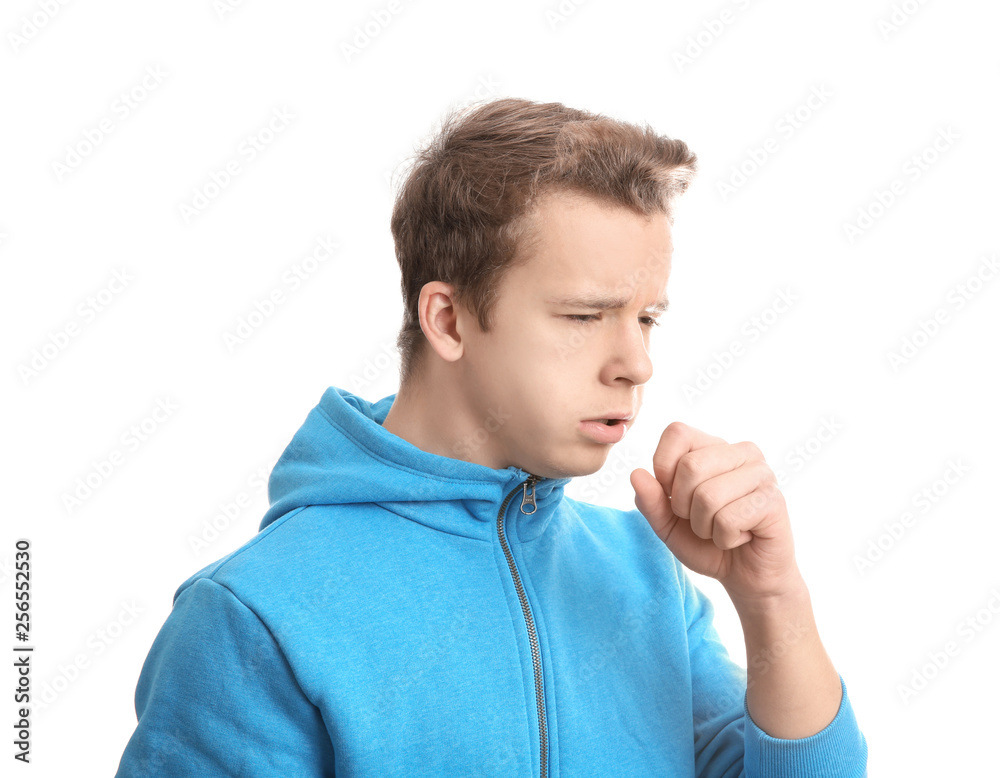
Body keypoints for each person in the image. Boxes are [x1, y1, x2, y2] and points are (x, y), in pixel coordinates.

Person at [114, 97, 868, 776]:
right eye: (584, 316)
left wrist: (772, 597)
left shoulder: (645, 574)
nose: (636, 364)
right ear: (448, 321)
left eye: (645, 318)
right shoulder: (253, 613)